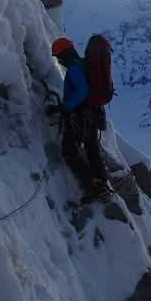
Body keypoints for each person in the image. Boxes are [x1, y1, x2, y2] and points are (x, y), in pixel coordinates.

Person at [50, 37, 112, 203]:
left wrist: (65, 107)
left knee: (69, 152)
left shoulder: (74, 68)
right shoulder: (84, 65)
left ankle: (92, 187)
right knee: (92, 149)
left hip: (80, 116)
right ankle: (102, 184)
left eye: (58, 57)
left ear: (65, 54)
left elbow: (82, 91)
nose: (59, 61)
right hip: (92, 114)